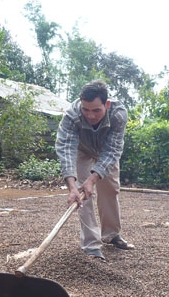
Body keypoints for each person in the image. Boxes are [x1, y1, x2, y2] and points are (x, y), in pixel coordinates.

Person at [55, 80, 135, 261]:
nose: (90, 115)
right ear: (80, 104)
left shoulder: (118, 114)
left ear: (106, 105)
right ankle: (91, 245)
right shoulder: (71, 115)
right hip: (82, 151)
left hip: (106, 153)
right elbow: (66, 149)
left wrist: (93, 179)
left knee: (110, 190)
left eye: (96, 110)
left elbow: (113, 150)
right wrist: (72, 185)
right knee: (83, 195)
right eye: (86, 110)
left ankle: (111, 234)